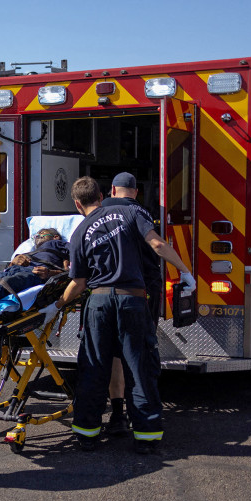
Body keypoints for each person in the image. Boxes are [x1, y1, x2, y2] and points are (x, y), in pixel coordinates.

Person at [42, 176, 195, 455]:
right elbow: (157, 245)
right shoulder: (130, 211)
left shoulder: (80, 231)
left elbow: (78, 283)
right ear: (102, 195)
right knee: (139, 367)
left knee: (93, 367)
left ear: (78, 204)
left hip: (99, 304)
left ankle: (87, 435)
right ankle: (147, 436)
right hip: (132, 302)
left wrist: (57, 305)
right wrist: (185, 271)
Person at [101, 172, 164, 436]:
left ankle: (116, 414)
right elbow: (156, 247)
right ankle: (140, 416)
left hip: (102, 293)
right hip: (140, 293)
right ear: (136, 192)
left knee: (114, 355)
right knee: (138, 354)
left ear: (112, 190)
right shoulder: (141, 213)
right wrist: (184, 271)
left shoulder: (99, 212)